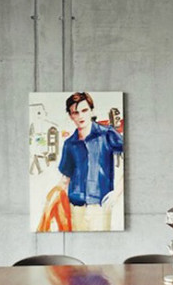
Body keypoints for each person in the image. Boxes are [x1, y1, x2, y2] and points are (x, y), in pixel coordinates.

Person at [39, 92, 124, 231]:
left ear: (92, 111)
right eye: (75, 112)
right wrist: (50, 199)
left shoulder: (107, 134)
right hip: (75, 207)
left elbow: (133, 158)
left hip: (100, 206)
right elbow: (65, 178)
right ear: (70, 116)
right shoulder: (69, 144)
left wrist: (117, 192)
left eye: (84, 110)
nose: (80, 116)